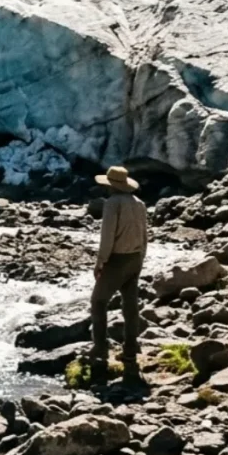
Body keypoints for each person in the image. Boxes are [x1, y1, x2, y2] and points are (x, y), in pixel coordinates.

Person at [90, 165, 148, 386]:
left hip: (117, 259)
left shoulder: (112, 204)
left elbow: (108, 236)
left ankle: (100, 351)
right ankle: (130, 352)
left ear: (111, 186)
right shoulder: (139, 204)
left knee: (98, 301)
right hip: (135, 258)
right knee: (130, 306)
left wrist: (100, 262)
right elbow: (144, 236)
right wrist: (140, 260)